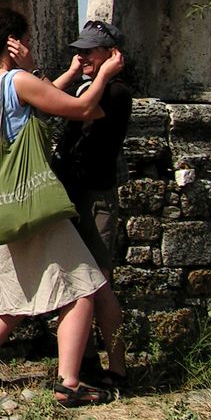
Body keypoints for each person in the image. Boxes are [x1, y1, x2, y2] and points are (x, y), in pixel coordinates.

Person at [0, 8, 123, 408]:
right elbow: (79, 109)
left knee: (12, 293)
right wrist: (103, 75)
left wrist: (46, 72)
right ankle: (69, 382)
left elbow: (43, 97)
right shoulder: (19, 80)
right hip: (25, 199)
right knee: (83, 285)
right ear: (15, 43)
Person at [48, 20, 131, 389]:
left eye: (89, 51)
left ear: (111, 55)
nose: (81, 56)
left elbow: (79, 111)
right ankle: (86, 360)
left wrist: (105, 75)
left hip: (95, 197)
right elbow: (48, 99)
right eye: (78, 50)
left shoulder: (115, 94)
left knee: (98, 284)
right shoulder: (90, 86)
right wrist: (70, 73)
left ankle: (118, 367)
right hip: (74, 192)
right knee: (78, 281)